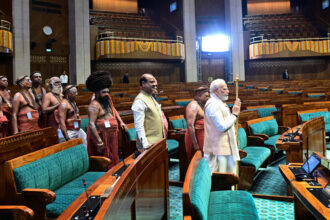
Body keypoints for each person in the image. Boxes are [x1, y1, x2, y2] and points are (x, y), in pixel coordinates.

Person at [86, 71, 127, 168]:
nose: (107, 94)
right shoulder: (94, 105)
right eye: (104, 92)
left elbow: (113, 109)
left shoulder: (107, 101)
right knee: (104, 160)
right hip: (102, 137)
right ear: (96, 92)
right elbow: (91, 124)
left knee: (113, 159)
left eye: (108, 91)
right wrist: (99, 141)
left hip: (111, 136)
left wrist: (121, 122)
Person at [203, 79, 241, 174]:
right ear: (216, 91)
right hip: (218, 150)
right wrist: (235, 114)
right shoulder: (213, 105)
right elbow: (222, 127)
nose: (228, 91)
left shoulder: (219, 102)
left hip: (225, 148)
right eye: (224, 89)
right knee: (222, 178)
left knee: (230, 176)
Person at [131, 73, 165, 150]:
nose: (155, 84)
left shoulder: (150, 97)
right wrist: (145, 144)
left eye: (155, 82)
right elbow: (139, 126)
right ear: (143, 84)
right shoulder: (139, 100)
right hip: (149, 145)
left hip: (158, 142)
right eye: (152, 82)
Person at [185, 87, 209, 162]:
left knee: (204, 158)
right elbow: (190, 125)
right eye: (206, 96)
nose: (208, 98)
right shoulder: (193, 106)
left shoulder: (201, 105)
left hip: (203, 135)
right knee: (197, 159)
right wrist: (195, 144)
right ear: (199, 96)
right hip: (196, 137)